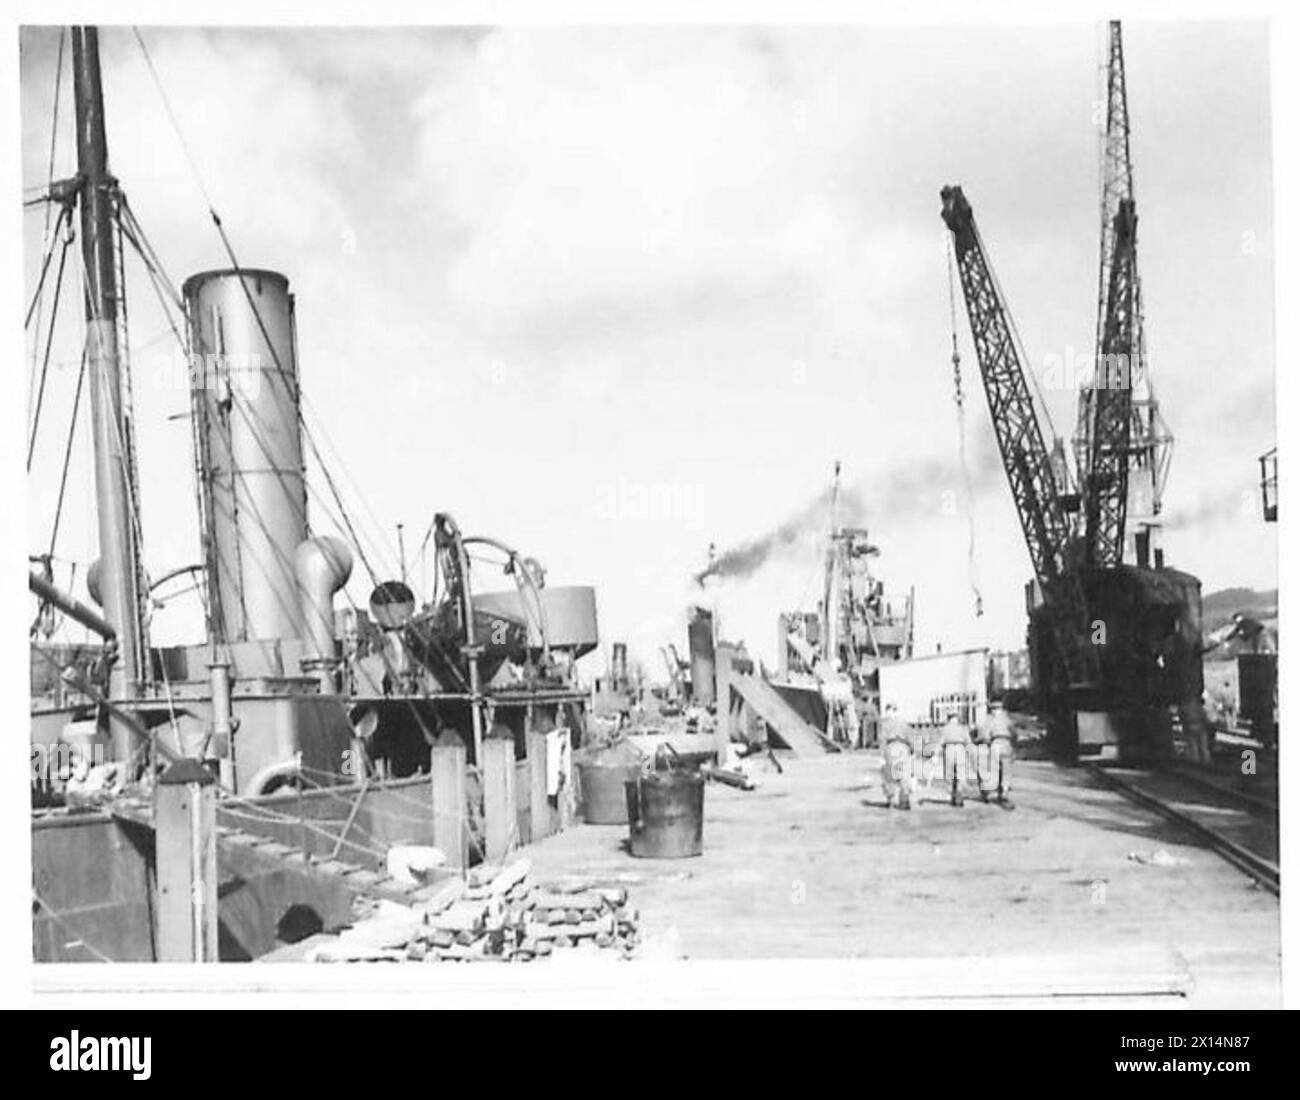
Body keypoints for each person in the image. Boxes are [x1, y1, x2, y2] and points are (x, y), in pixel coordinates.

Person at [973, 702, 1014, 807]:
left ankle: (987, 792)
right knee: (1006, 770)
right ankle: (1004, 793)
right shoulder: (1006, 718)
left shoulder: (989, 720)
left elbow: (985, 736)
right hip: (1006, 743)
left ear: (992, 709)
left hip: (995, 743)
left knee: (993, 769)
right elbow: (1014, 732)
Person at [879, 706, 916, 810]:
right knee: (904, 774)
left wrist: (881, 755)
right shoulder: (904, 724)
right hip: (902, 748)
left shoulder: (885, 725)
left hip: (890, 748)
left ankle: (890, 799)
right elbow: (911, 739)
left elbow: (882, 740)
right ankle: (904, 800)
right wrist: (912, 752)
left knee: (889, 774)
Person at [939, 714, 972, 807]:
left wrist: (935, 755)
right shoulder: (963, 728)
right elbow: (968, 741)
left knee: (949, 773)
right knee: (961, 773)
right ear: (957, 718)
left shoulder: (945, 728)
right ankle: (959, 795)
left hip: (949, 748)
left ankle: (951, 795)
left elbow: (941, 742)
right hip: (960, 748)